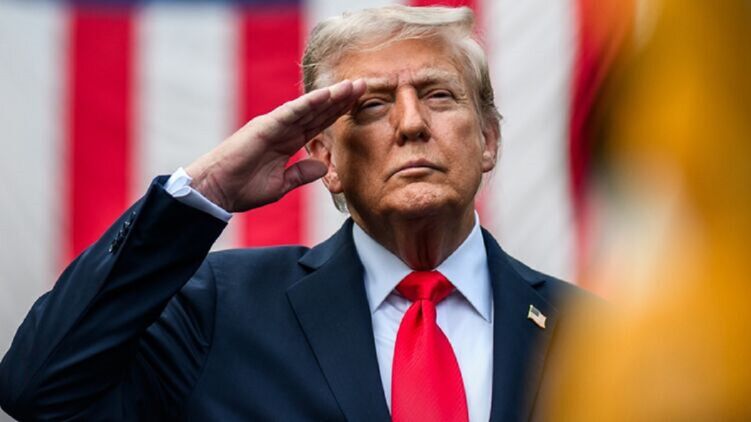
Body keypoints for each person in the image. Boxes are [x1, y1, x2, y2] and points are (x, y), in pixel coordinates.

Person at [0, 5, 596, 421]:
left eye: (438, 95)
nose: (412, 124)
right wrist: (206, 189)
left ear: (488, 140)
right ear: (325, 158)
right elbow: (38, 388)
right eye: (372, 106)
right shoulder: (222, 313)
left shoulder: (594, 333)